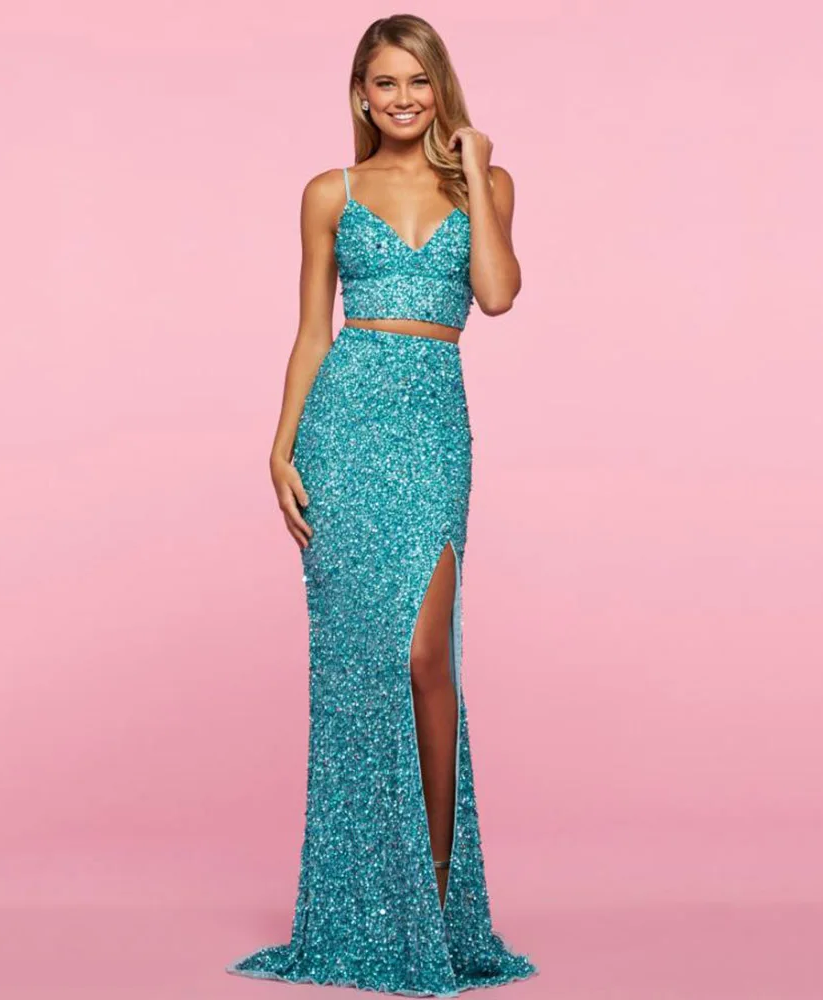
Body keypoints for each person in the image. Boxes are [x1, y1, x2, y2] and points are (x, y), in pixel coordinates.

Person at [227, 14, 538, 996]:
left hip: (432, 429)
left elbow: (497, 295)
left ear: (440, 88)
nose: (403, 98)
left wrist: (474, 161)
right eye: (385, 83)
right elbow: (311, 332)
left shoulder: (486, 185)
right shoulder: (331, 192)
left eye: (418, 81)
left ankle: (435, 907)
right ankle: (363, 912)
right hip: (343, 427)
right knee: (361, 667)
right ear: (362, 94)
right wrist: (282, 442)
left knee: (424, 655)